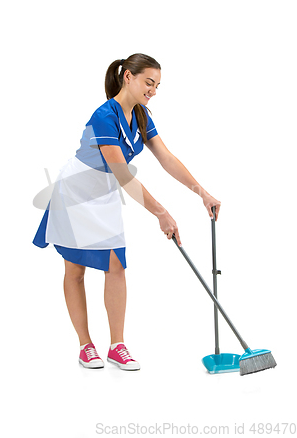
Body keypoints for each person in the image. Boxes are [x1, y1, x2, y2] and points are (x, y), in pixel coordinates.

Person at [33, 53, 221, 371]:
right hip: (76, 194)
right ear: (128, 78)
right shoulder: (103, 116)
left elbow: (166, 158)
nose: (153, 91)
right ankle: (85, 345)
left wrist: (202, 193)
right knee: (76, 271)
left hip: (104, 193)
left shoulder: (142, 116)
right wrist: (161, 213)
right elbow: (124, 175)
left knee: (115, 266)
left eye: (158, 85)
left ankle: (117, 346)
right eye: (149, 83)